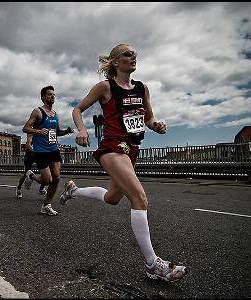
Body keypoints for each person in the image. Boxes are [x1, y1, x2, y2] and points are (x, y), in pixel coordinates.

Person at [60, 43, 188, 282]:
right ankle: (153, 265)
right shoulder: (105, 87)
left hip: (132, 149)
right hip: (112, 148)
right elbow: (77, 109)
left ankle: (74, 191)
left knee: (112, 198)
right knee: (139, 198)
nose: (133, 56)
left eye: (135, 54)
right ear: (116, 62)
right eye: (128, 54)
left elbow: (148, 119)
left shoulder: (142, 88)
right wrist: (81, 130)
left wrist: (157, 126)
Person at [22, 85, 74, 215]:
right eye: (50, 94)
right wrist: (38, 131)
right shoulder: (38, 112)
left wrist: (66, 131)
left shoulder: (55, 115)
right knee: (47, 180)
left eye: (54, 94)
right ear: (43, 97)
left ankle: (46, 205)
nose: (53, 96)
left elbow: (56, 132)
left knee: (56, 178)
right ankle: (31, 175)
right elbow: (25, 128)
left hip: (53, 149)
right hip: (41, 151)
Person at [15, 133, 47, 198]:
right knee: (26, 173)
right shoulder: (31, 131)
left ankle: (41, 189)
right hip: (30, 155)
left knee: (45, 173)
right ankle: (19, 188)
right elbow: (28, 146)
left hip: (39, 155)